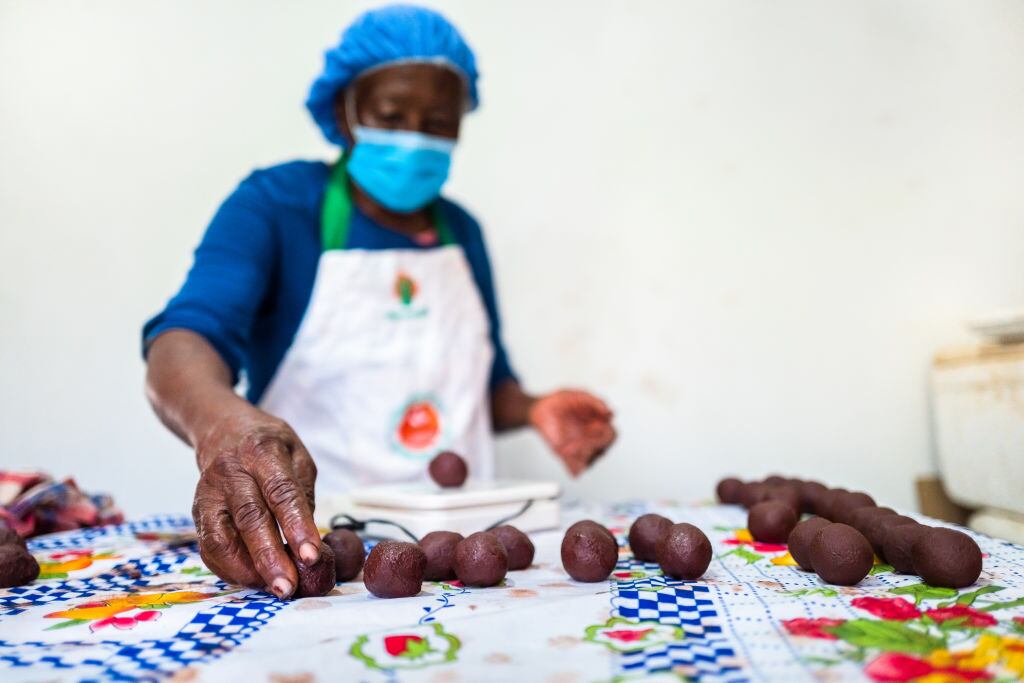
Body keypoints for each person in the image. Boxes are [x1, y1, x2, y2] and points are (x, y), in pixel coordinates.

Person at [142, 5, 615, 599]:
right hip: (318, 551)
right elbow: (182, 342)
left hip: (464, 558)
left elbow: (483, 393)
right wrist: (221, 425)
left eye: (439, 121)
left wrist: (535, 408)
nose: (415, 137)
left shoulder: (461, 232)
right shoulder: (278, 205)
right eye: (392, 115)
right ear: (345, 111)